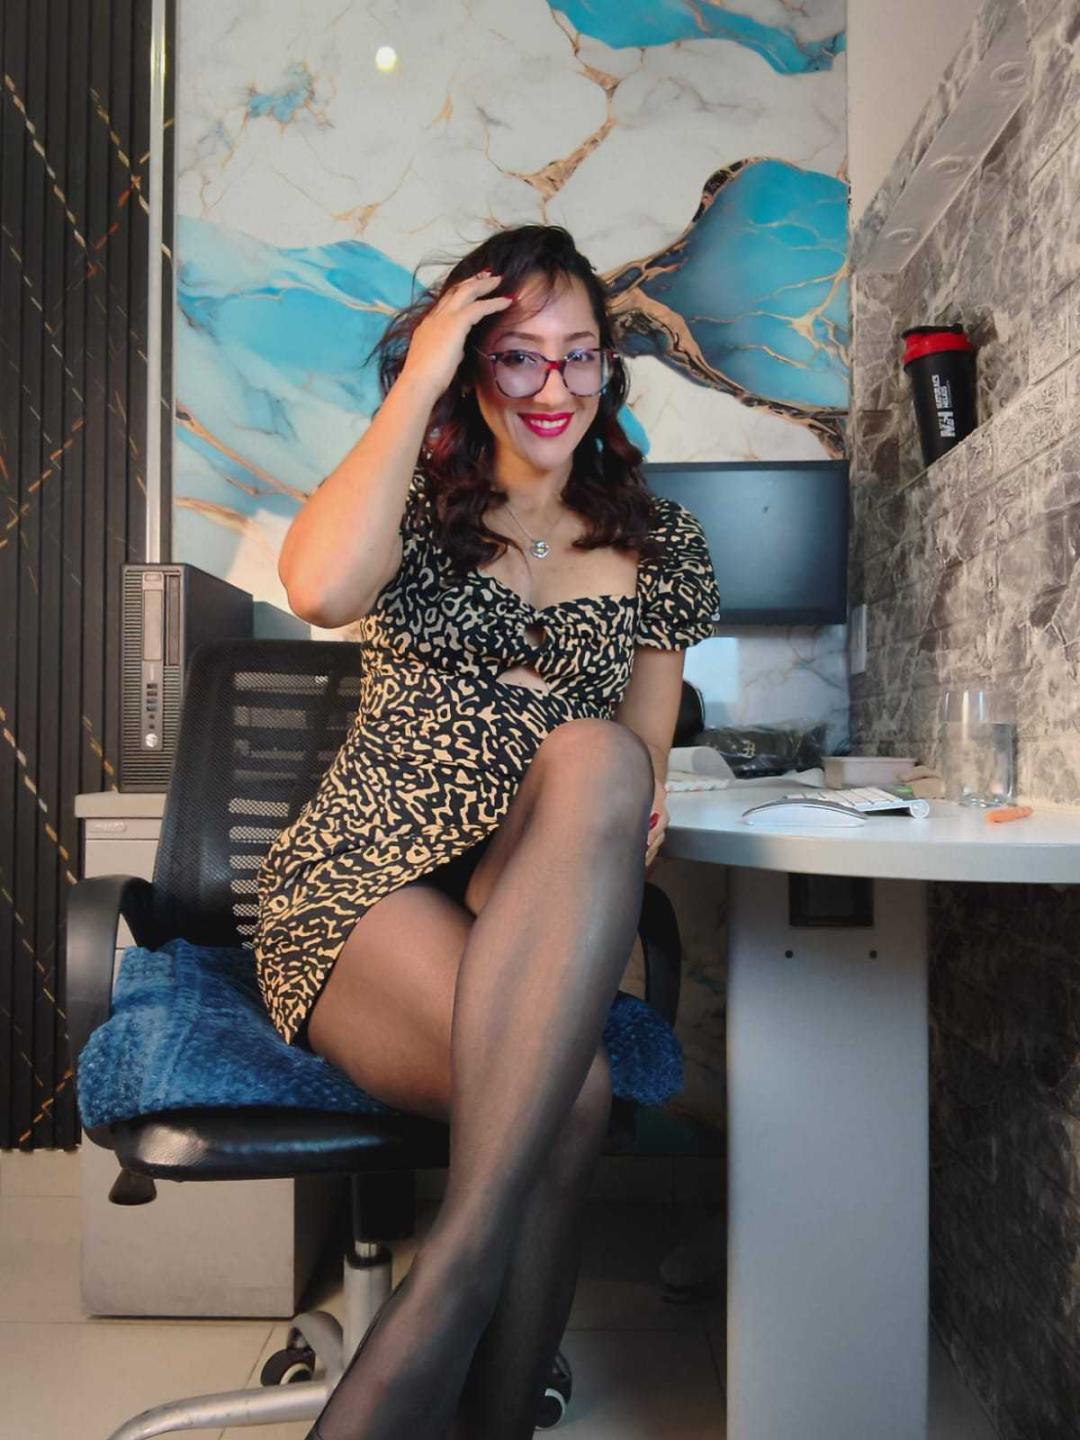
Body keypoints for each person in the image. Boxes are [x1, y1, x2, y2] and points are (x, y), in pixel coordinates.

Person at [254, 223, 721, 1439]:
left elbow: (642, 759)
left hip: (522, 886)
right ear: (472, 367)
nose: (554, 386)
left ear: (610, 366)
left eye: (580, 355)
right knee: (572, 1100)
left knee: (602, 754)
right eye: (518, 355)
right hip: (364, 886)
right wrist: (420, 375)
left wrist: (608, 778)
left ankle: (439, 1307)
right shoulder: (413, 504)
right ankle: (474, 1349)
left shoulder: (660, 543)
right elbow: (319, 589)